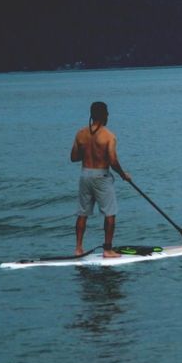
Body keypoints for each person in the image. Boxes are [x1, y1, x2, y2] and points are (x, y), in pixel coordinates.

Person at [71, 101, 131, 257]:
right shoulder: (109, 136)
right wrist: (123, 174)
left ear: (91, 115)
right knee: (110, 214)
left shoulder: (80, 134)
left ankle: (78, 248)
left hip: (85, 175)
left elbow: (74, 157)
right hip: (101, 176)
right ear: (105, 116)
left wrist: (89, 150)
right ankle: (108, 250)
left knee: (82, 213)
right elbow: (112, 160)